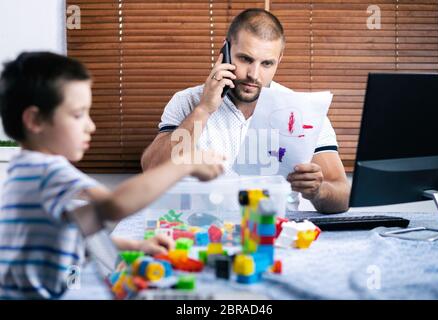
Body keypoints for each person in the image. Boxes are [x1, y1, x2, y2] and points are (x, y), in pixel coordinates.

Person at [0, 52, 224, 299]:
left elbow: (76, 234)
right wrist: (183, 163)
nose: (91, 126)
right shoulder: (46, 170)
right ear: (35, 120)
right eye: (78, 115)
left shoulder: (25, 171)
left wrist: (135, 246)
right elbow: (114, 204)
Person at [141, 8, 350, 213]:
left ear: (279, 60)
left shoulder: (303, 111)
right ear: (226, 51)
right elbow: (152, 170)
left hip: (271, 235)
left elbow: (341, 196)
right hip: (199, 232)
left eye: (267, 63)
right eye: (245, 59)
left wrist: (318, 190)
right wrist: (204, 109)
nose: (254, 75)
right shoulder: (187, 101)